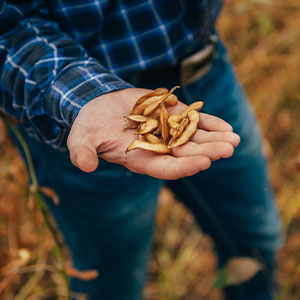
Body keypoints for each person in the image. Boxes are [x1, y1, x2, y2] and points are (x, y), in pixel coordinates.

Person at [0, 1, 282, 299]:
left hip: (205, 68)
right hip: (80, 106)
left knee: (255, 238)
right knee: (112, 283)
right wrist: (84, 95)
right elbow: (7, 30)